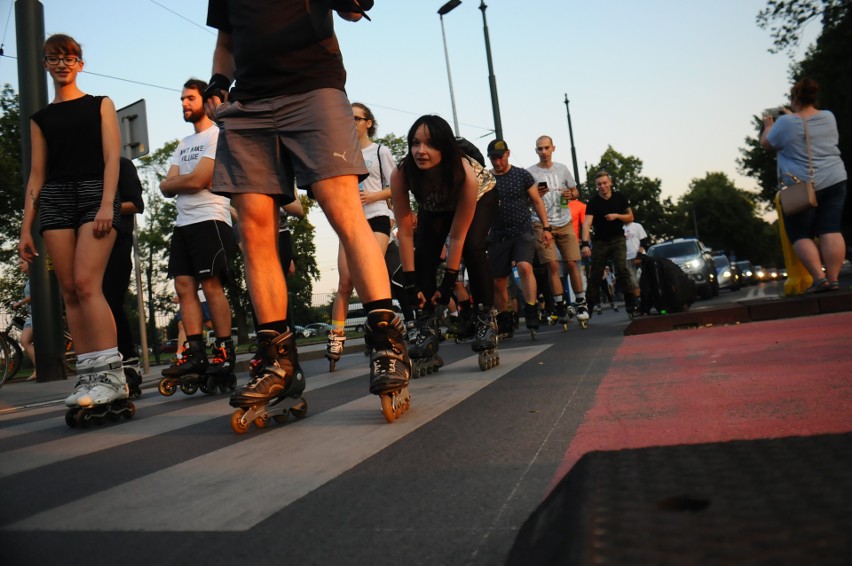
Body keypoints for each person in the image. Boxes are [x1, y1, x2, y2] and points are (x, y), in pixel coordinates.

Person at [204, 1, 411, 414]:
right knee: (254, 230)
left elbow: (353, 11)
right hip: (248, 104)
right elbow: (226, 39)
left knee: (345, 213)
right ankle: (278, 362)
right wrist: (217, 81)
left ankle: (388, 346)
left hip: (313, 89)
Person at [18, 34, 127, 411]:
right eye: (54, 58)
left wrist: (106, 205)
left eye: (69, 57)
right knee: (69, 291)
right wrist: (25, 229)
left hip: (96, 194)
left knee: (86, 284)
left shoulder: (101, 104)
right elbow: (36, 175)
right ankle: (88, 375)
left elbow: (113, 158)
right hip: (55, 200)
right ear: (45, 64)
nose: (62, 63)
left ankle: (112, 375)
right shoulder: (41, 119)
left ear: (81, 63)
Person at [390, 115, 499, 360]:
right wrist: (410, 283)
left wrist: (449, 281)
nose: (420, 151)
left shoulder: (465, 173)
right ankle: (426, 324)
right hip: (437, 204)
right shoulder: (401, 173)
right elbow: (406, 232)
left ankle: (484, 319)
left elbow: (458, 237)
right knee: (425, 255)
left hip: (481, 196)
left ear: (445, 148)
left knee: (473, 247)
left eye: (430, 144)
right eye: (415, 143)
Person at [160, 78, 236, 383]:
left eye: (190, 98)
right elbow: (167, 185)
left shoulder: (218, 135)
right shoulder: (183, 144)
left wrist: (181, 182)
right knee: (183, 287)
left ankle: (223, 351)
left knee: (211, 285)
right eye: (181, 99)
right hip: (183, 223)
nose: (184, 104)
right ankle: (194, 352)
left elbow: (195, 180)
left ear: (205, 101)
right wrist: (185, 181)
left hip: (211, 219)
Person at [326, 102, 396, 369]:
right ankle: (336, 337)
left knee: (369, 275)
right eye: (348, 118)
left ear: (368, 122)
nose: (352, 122)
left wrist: (375, 195)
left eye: (357, 118)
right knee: (345, 282)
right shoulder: (341, 153)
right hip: (350, 220)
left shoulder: (380, 151)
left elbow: (397, 186)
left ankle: (380, 331)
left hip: (377, 216)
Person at [761, 77, 847, 292]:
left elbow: (767, 144)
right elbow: (806, 126)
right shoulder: (828, 117)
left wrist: (768, 126)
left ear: (794, 99)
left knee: (800, 233)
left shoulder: (784, 123)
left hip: (800, 185)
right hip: (834, 179)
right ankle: (834, 279)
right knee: (831, 229)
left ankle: (820, 279)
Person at [485, 139, 553, 338]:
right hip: (497, 234)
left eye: (500, 157)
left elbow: (537, 201)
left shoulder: (521, 174)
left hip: (522, 231)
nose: (497, 162)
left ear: (507, 154)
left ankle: (531, 309)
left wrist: (546, 228)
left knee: (524, 267)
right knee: (498, 281)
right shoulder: (487, 179)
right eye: (493, 158)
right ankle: (505, 318)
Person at [527, 136, 589, 324]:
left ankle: (580, 302)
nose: (543, 152)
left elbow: (576, 191)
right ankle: (560, 304)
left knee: (572, 263)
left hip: (564, 221)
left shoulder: (562, 169)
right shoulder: (530, 172)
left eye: (546, 148)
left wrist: (571, 194)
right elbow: (526, 200)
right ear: (536, 151)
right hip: (541, 222)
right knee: (552, 265)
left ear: (553, 148)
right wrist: (536, 195)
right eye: (540, 149)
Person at [103, 157, 144, 368]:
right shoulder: (84, 168)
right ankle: (104, 359)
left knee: (111, 302)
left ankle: (127, 357)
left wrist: (104, 209)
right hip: (89, 246)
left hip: (117, 243)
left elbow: (136, 204)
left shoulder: (121, 164)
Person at [581, 171, 639, 315]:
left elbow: (630, 217)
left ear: (610, 183)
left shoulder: (619, 197)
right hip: (600, 241)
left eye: (605, 183)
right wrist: (585, 244)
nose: (602, 186)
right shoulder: (593, 202)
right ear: (596, 186)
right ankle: (588, 306)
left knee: (621, 269)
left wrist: (617, 216)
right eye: (599, 184)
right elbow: (586, 224)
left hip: (617, 239)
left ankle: (631, 303)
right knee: (596, 274)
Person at [13, 261, 37, 381]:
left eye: (22, 262)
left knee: (24, 340)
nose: (20, 265)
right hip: (33, 313)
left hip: (38, 314)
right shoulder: (29, 279)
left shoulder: (36, 276)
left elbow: (35, 294)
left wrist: (20, 303)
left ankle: (38, 369)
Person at [623, 220, 649, 289]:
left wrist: (639, 254)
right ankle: (638, 297)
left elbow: (644, 241)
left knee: (647, 276)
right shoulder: (621, 228)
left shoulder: (637, 226)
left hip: (640, 255)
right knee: (633, 281)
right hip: (628, 258)